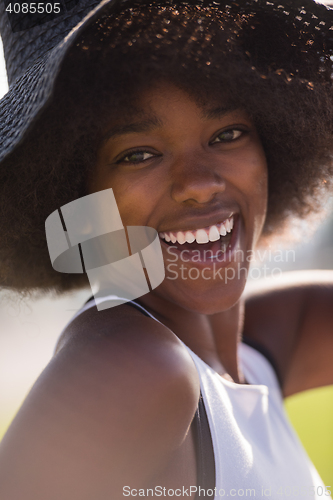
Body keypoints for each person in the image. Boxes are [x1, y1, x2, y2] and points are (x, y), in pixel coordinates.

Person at [0, 0, 333, 498]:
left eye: (227, 134)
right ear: (77, 195)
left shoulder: (258, 349)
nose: (199, 185)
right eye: (139, 154)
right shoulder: (130, 366)